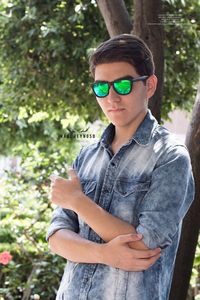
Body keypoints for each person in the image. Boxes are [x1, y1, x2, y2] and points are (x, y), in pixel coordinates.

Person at [46, 34, 195, 300]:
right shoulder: (86, 157)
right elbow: (57, 237)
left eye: (123, 85)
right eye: (102, 88)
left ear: (149, 86)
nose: (111, 97)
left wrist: (78, 202)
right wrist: (105, 254)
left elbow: (144, 246)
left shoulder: (171, 157)